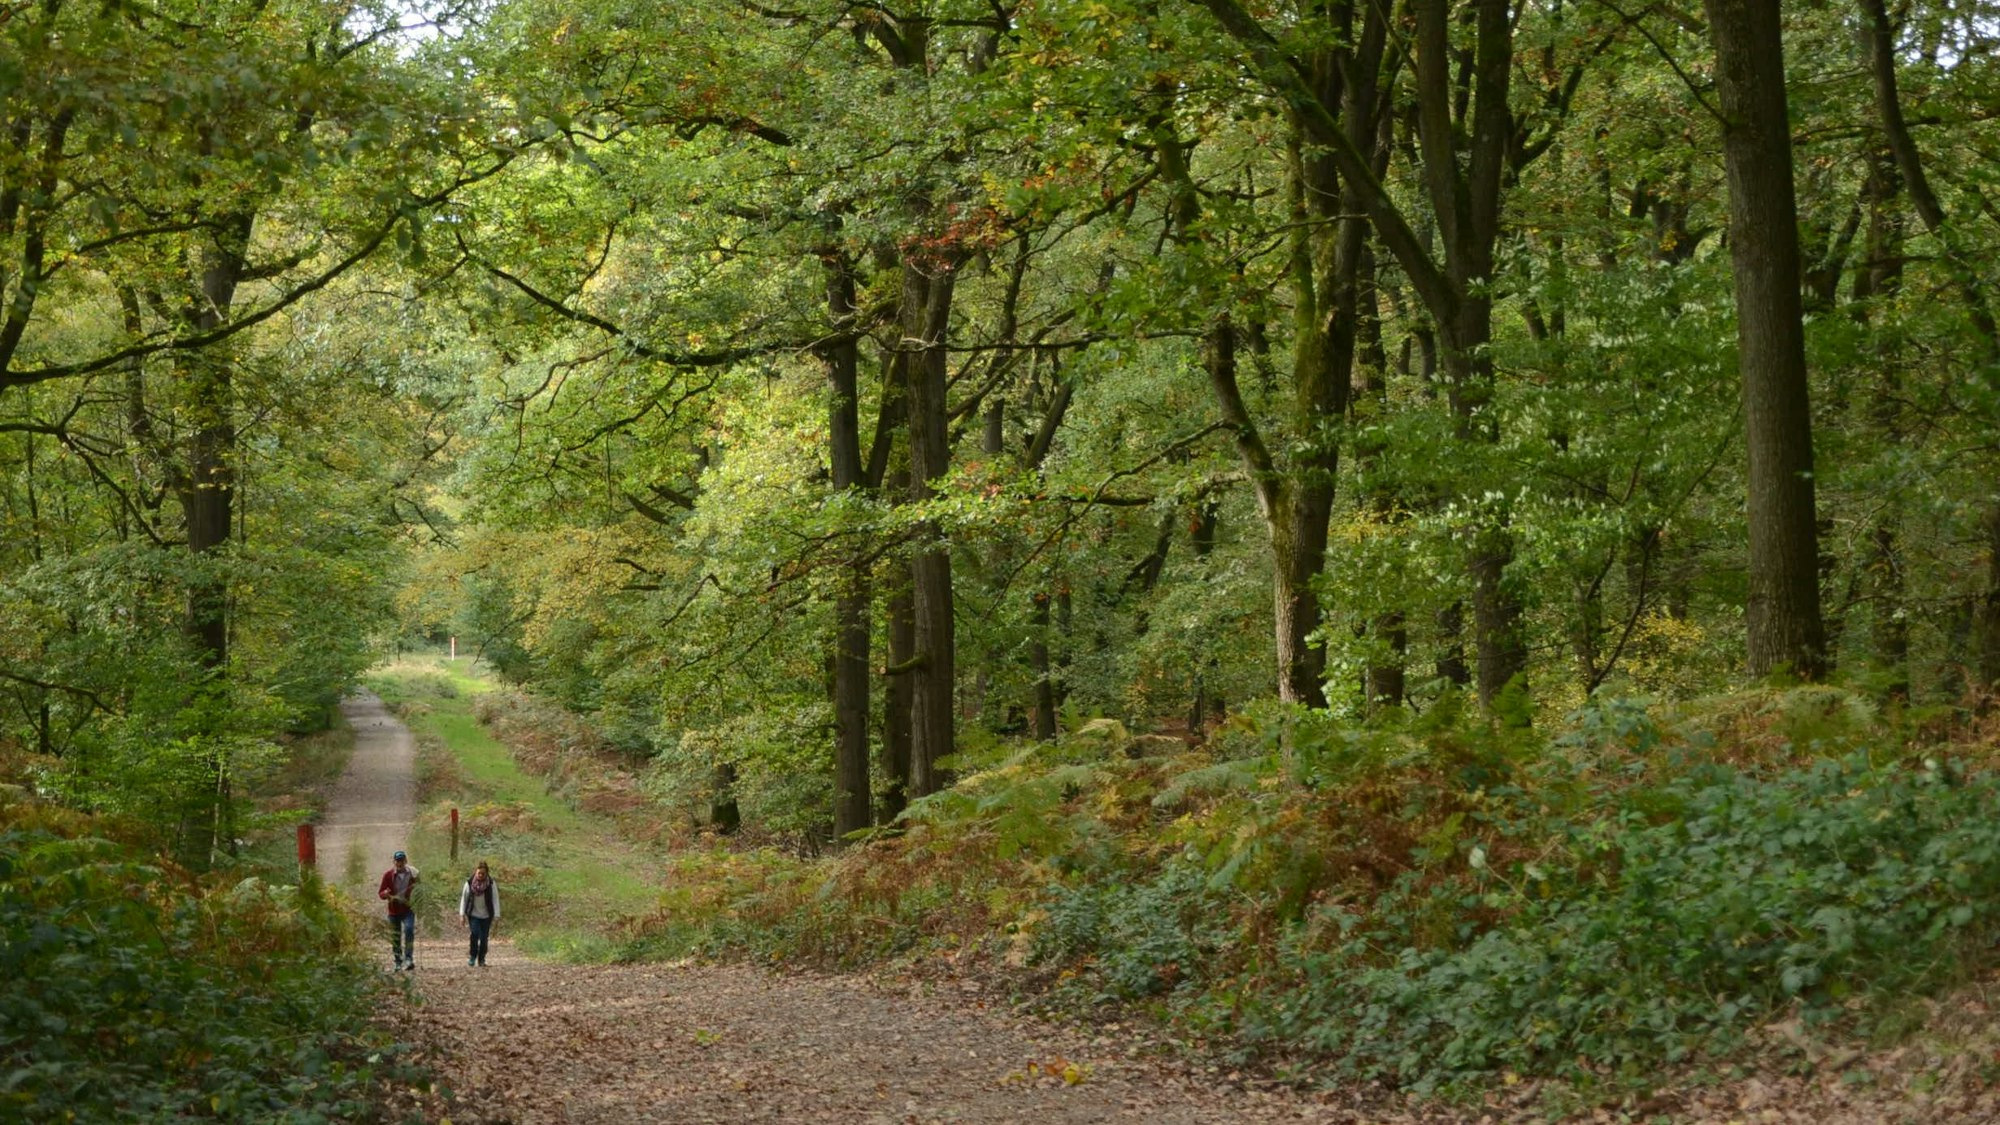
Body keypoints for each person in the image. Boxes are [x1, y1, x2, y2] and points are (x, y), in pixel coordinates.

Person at [377, 849, 421, 971]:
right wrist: (385, 894)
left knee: (409, 930)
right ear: (394, 862)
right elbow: (380, 893)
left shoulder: (412, 874)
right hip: (394, 911)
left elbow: (419, 889)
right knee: (395, 936)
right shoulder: (388, 875)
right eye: (397, 861)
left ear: (405, 861)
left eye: (401, 860)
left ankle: (409, 959)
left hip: (408, 909)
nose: (399, 863)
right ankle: (398, 961)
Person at [457, 860, 501, 967]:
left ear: (487, 874)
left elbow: (495, 899)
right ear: (475, 872)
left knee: (484, 938)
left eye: (483, 873)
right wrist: (462, 914)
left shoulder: (491, 884)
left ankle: (482, 959)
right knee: (475, 934)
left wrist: (497, 915)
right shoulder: (469, 883)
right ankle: (473, 956)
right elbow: (464, 899)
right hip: (473, 914)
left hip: (486, 915)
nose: (480, 875)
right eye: (479, 873)